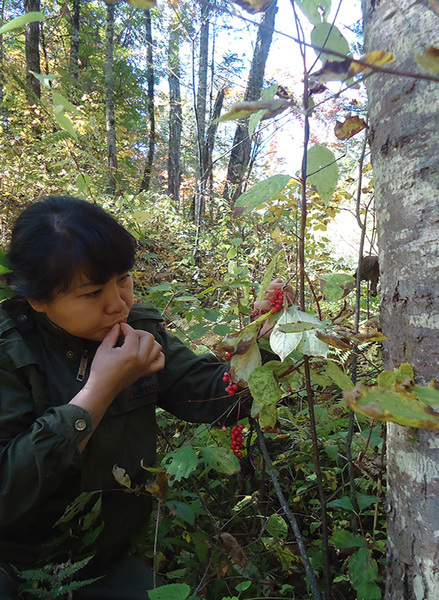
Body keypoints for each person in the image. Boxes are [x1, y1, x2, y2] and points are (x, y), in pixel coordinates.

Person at [0, 196, 271, 599]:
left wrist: (264, 343)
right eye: (92, 293)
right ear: (38, 299)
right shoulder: (10, 353)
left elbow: (218, 398)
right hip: (15, 563)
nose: (119, 304)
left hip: (102, 561)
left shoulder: (137, 333)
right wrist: (99, 390)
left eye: (123, 278)